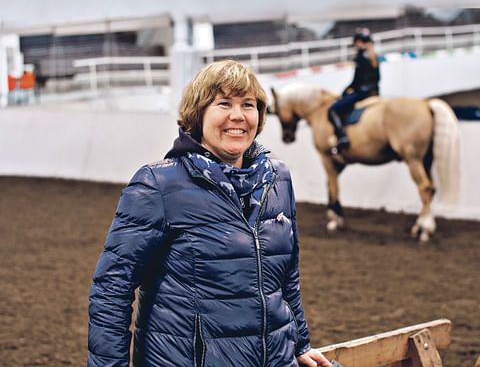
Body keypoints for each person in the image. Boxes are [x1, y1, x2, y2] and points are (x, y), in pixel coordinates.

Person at [87, 60, 332, 367]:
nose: (237, 116)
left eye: (248, 104)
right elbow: (113, 288)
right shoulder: (158, 185)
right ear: (198, 114)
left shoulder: (278, 177)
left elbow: (285, 279)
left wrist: (299, 344)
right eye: (224, 103)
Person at [328, 27, 380, 153]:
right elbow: (378, 78)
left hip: (362, 92)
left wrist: (344, 93)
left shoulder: (360, 58)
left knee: (332, 109)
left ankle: (342, 137)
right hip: (374, 91)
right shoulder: (374, 57)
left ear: (358, 42)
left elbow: (356, 82)